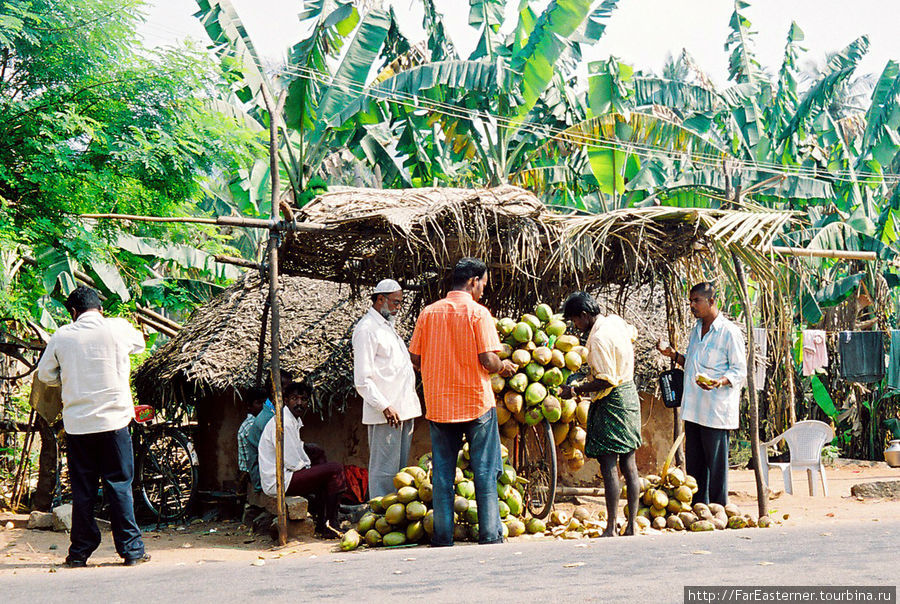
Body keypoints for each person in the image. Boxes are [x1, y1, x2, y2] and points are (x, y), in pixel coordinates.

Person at [36, 286, 149, 567]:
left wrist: (70, 375)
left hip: (78, 426)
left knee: (83, 489)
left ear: (73, 313)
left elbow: (46, 374)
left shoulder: (61, 336)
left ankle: (80, 552)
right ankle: (131, 551)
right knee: (119, 485)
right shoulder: (117, 328)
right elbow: (140, 344)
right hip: (115, 422)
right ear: (100, 309)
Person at [408, 257, 517, 546]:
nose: (483, 290)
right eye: (483, 284)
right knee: (485, 471)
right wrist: (502, 366)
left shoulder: (428, 314)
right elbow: (488, 359)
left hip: (440, 404)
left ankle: (442, 538)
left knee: (442, 474)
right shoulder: (478, 314)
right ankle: (490, 534)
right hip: (476, 403)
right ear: (472, 282)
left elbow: (415, 358)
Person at [558, 292, 641, 537]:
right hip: (629, 395)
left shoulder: (599, 339)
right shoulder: (615, 322)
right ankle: (632, 526)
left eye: (576, 321)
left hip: (612, 402)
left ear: (584, 316)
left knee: (608, 466)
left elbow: (605, 380)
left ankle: (611, 526)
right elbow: (633, 334)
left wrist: (575, 389)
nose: (576, 326)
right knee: (629, 463)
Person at [657, 282, 747, 505]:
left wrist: (719, 382)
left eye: (696, 300)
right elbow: (692, 365)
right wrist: (674, 355)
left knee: (716, 467)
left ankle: (719, 509)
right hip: (694, 409)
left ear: (712, 302)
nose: (692, 305)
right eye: (691, 300)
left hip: (715, 410)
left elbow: (739, 370)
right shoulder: (696, 330)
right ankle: (700, 508)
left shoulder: (729, 332)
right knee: (696, 465)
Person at [352, 279, 422, 499]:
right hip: (387, 413)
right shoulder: (366, 329)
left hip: (403, 410)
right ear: (380, 298)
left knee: (400, 472)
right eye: (395, 302)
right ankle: (379, 518)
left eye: (400, 302)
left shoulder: (387, 327)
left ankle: (394, 518)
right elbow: (362, 379)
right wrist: (385, 406)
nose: (398, 307)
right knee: (384, 472)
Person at [257, 381, 346, 538]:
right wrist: (311, 469)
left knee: (317, 453)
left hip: (286, 474)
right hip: (279, 481)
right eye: (294, 398)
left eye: (303, 399)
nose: (299, 403)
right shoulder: (283, 423)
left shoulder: (292, 420)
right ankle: (331, 523)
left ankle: (322, 520)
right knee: (335, 469)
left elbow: (298, 449)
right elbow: (293, 463)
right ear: (286, 400)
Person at [245, 369, 292, 492]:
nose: (289, 394)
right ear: (274, 390)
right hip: (265, 479)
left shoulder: (275, 413)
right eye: (287, 389)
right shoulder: (268, 419)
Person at [237, 389, 266, 492]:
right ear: (249, 406)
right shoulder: (252, 425)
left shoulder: (256, 422)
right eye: (258, 403)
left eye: (264, 402)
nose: (263, 406)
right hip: (250, 473)